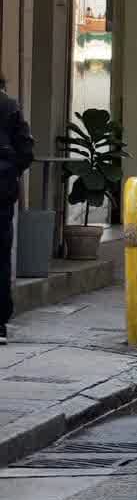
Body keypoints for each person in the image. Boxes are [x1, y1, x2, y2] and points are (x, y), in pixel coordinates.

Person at [0, 76, 34, 343]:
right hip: (1, 190)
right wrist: (11, 172)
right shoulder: (9, 106)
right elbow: (25, 152)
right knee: (0, 255)